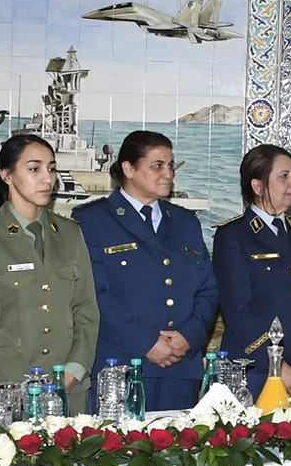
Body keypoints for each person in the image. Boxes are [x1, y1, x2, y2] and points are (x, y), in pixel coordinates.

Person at [0, 134, 98, 420]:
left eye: (51, 168)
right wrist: (28, 382)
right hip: (3, 391)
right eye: (34, 169)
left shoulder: (71, 233)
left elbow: (86, 310)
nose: (47, 178)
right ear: (7, 175)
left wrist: (74, 369)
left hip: (67, 391)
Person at [78, 130, 218, 411]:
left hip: (181, 369)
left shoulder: (185, 222)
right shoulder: (92, 220)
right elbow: (95, 294)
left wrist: (189, 336)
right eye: (157, 166)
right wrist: (147, 343)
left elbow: (208, 290)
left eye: (170, 165)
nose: (168, 174)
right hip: (122, 368)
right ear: (129, 168)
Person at [213, 142, 291, 397]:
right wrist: (278, 366)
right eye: (284, 176)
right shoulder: (233, 235)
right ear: (257, 186)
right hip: (257, 373)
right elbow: (238, 313)